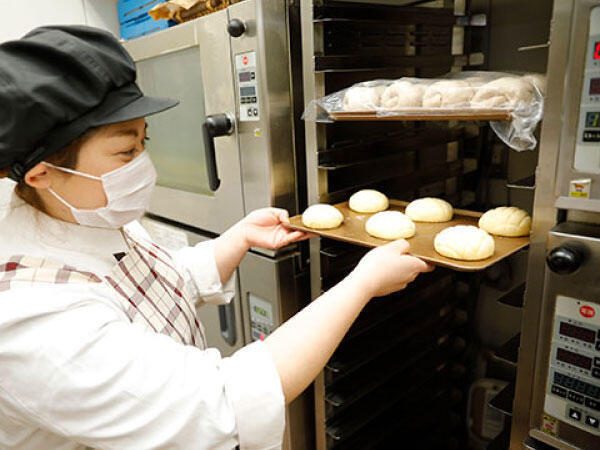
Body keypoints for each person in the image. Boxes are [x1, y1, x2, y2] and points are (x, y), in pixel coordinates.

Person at [0, 26, 433, 449]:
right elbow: (223, 404)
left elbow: (151, 287)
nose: (143, 164)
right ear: (41, 173)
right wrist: (360, 285)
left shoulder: (82, 215)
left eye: (143, 142)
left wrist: (236, 239)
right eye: (125, 151)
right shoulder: (33, 320)